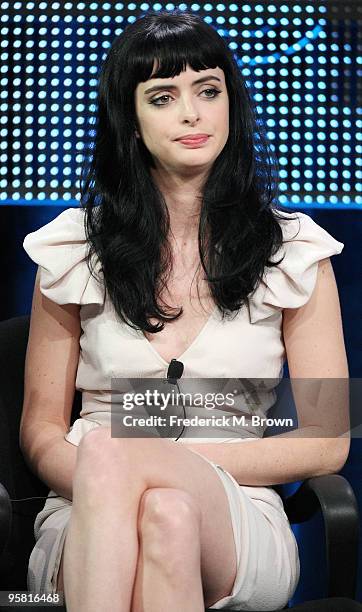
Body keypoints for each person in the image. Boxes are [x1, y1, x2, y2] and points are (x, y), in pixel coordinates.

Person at [21, 9, 350, 612]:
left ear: (230, 101)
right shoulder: (71, 250)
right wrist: (111, 480)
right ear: (131, 119)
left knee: (125, 456)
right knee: (163, 513)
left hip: (237, 509)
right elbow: (40, 431)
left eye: (208, 90)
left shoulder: (297, 253)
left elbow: (327, 442)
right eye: (163, 96)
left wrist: (156, 461)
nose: (192, 113)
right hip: (87, 509)